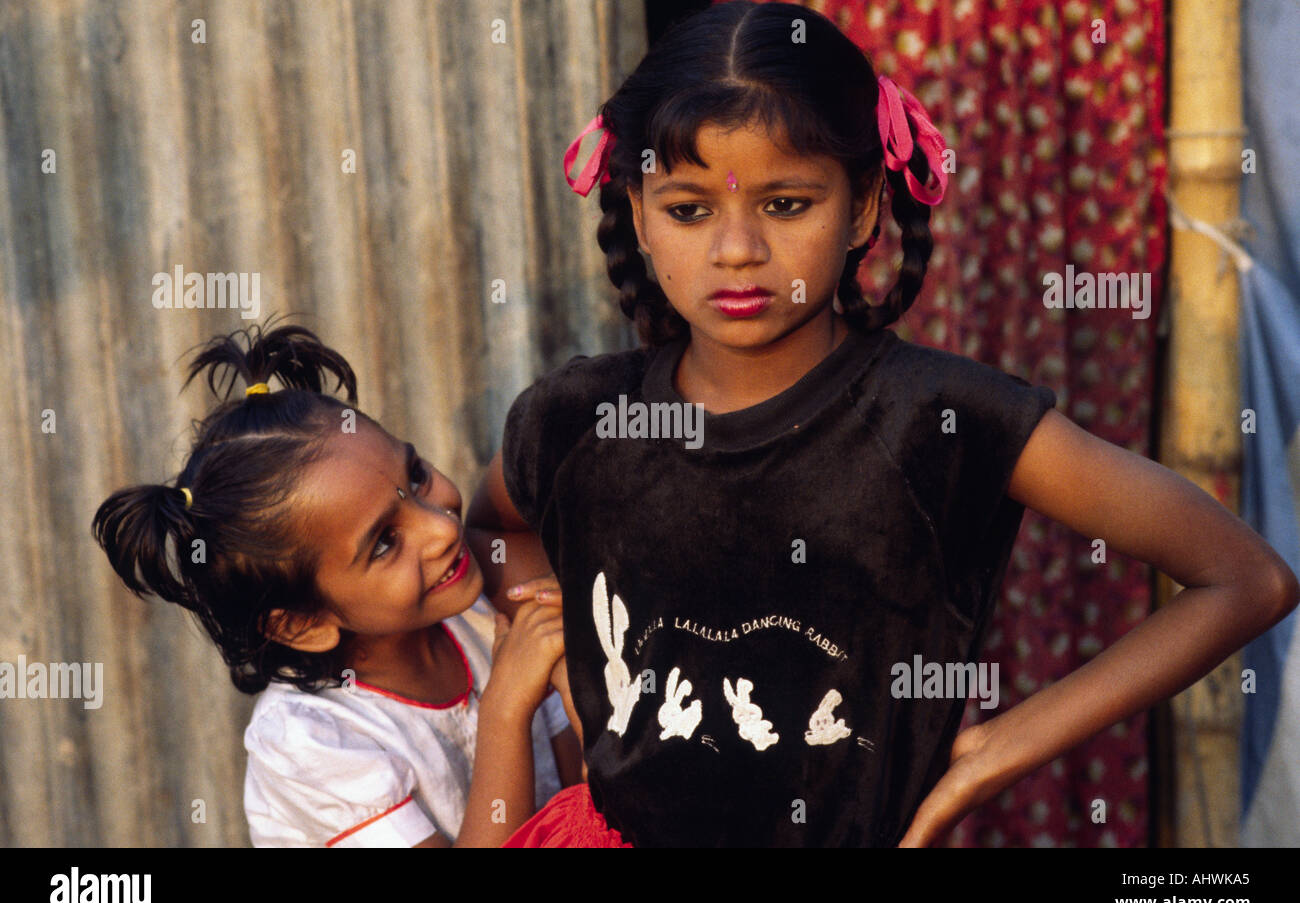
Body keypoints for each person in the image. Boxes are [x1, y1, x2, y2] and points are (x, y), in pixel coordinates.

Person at [467, 1, 1299, 847]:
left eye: (786, 204)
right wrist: (569, 664)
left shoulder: (939, 420)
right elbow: (494, 523)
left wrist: (1002, 745)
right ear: (639, 214)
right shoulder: (575, 419)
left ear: (865, 206)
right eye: (689, 210)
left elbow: (1247, 579)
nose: (737, 249)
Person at [92, 321, 582, 847]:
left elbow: (587, 792)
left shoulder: (479, 612)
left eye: (415, 476)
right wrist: (507, 706)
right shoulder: (307, 746)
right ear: (303, 623)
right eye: (384, 543)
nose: (441, 527)